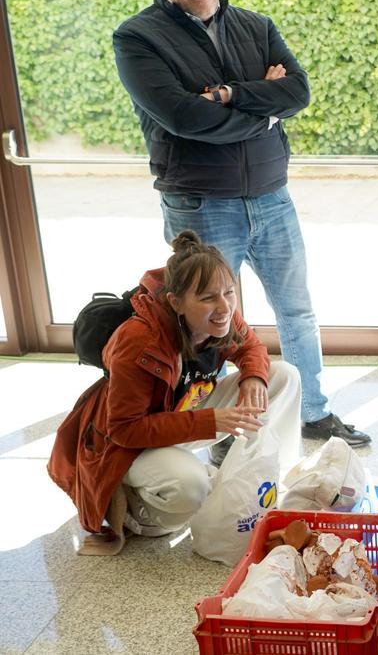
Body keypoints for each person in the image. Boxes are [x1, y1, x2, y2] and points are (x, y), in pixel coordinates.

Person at [113, 0, 369, 454]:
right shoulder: (137, 37)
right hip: (202, 201)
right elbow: (184, 117)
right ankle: (225, 428)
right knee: (213, 319)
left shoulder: (256, 25)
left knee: (297, 310)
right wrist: (264, 109)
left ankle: (313, 411)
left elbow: (297, 92)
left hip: (272, 196)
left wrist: (226, 96)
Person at [47, 231, 301, 556]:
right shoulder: (138, 341)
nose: (224, 306)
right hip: (126, 444)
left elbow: (250, 345)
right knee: (190, 489)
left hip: (178, 415)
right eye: (208, 298)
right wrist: (210, 421)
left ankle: (270, 482)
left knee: (282, 376)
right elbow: (124, 429)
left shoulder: (220, 314)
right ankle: (134, 511)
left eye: (229, 292)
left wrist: (253, 376)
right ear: (176, 303)